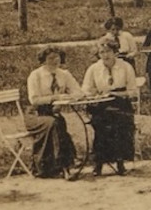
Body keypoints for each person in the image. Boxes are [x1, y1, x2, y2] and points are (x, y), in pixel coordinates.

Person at [81, 39, 139, 176]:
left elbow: (133, 91)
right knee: (101, 124)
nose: (105, 55)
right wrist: (94, 94)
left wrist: (115, 93)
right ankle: (99, 162)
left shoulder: (125, 67)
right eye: (102, 52)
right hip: (100, 104)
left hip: (121, 103)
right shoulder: (94, 69)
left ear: (115, 52)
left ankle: (120, 161)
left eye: (108, 52)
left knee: (118, 122)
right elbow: (86, 89)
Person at [25, 47, 82, 179]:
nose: (55, 61)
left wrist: (69, 97)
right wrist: (54, 98)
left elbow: (78, 92)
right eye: (50, 58)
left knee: (58, 122)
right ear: (43, 60)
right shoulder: (36, 75)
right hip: (36, 114)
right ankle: (64, 166)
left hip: (54, 113)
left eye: (57, 57)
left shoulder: (64, 74)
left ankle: (59, 166)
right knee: (55, 123)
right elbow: (34, 99)